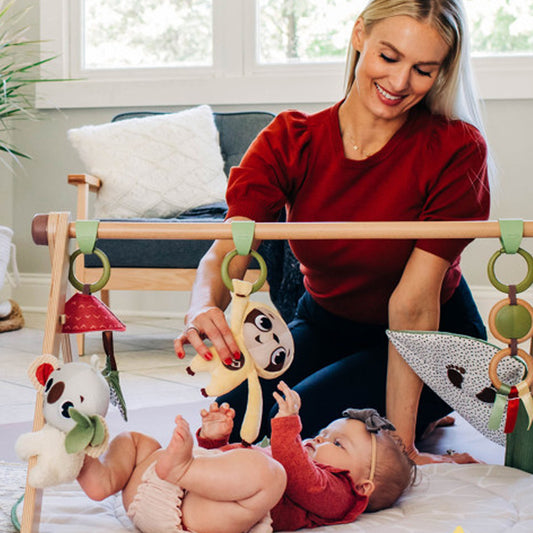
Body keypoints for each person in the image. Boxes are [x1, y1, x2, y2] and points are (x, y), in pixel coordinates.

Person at [174, 0, 491, 465]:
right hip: (326, 322)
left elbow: (413, 303)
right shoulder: (291, 139)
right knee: (240, 421)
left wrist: (399, 449)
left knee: (299, 433)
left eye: (423, 70)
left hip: (430, 339)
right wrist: (202, 306)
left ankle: (423, 412)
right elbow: (228, 251)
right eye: (388, 57)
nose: (400, 82)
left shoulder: (456, 148)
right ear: (360, 35)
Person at [77, 382, 416, 533]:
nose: (319, 439)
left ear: (364, 485)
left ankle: (183, 467)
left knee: (271, 473)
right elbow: (223, 474)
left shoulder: (341, 495)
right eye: (325, 432)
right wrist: (215, 441)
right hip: (158, 489)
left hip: (191, 515)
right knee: (137, 441)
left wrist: (286, 427)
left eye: (337, 444)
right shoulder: (293, 456)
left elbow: (300, 478)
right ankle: (102, 477)